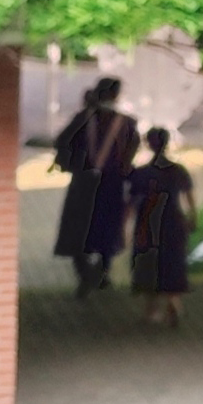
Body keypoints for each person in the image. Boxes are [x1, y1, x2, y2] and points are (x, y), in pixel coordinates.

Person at [50, 76, 136, 297]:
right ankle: (102, 274)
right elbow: (130, 153)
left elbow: (62, 141)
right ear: (116, 95)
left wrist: (72, 164)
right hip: (112, 185)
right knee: (107, 229)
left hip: (84, 183)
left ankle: (85, 275)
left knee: (78, 230)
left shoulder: (83, 119)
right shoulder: (127, 123)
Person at [124, 126, 197, 327]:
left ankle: (151, 309)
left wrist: (124, 227)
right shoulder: (178, 171)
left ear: (149, 144)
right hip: (173, 220)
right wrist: (193, 217)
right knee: (172, 262)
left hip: (148, 222)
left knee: (148, 262)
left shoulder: (142, 173)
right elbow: (189, 197)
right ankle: (173, 302)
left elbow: (131, 203)